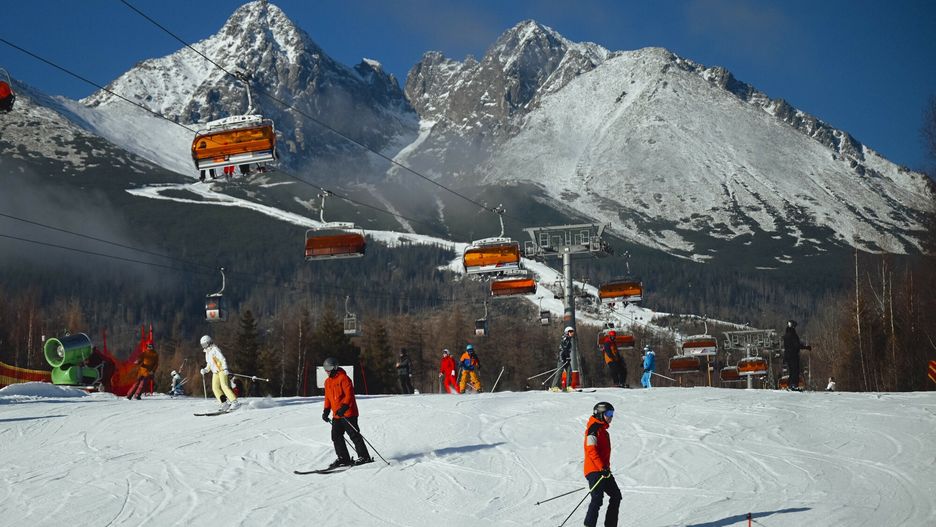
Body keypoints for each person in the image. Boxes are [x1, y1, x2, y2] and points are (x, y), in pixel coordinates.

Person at [322, 357, 372, 468]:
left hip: (349, 413)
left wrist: (344, 407)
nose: (327, 370)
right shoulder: (327, 382)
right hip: (337, 415)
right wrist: (326, 410)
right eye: (325, 368)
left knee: (354, 435)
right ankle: (343, 458)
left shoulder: (344, 378)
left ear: (335, 367)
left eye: (329, 368)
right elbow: (328, 398)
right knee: (336, 436)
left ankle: (364, 456)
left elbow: (349, 395)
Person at [583, 401, 622, 527]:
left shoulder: (603, 431)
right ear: (600, 414)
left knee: (616, 496)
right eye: (609, 413)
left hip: (604, 470)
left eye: (612, 413)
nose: (611, 417)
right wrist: (601, 467)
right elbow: (591, 450)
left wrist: (605, 468)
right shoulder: (593, 429)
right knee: (597, 499)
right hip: (594, 470)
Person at [199, 335, 239, 411]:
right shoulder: (207, 352)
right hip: (215, 372)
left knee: (224, 386)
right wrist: (205, 370)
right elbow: (209, 364)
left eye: (205, 344)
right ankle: (224, 403)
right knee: (215, 388)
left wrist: (225, 368)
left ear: (209, 342)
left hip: (221, 370)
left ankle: (234, 402)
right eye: (203, 345)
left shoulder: (215, 349)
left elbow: (223, 359)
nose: (204, 346)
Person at [782, 320, 811, 391]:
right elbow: (797, 345)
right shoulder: (793, 335)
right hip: (793, 355)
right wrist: (806, 347)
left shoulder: (786, 335)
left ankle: (790, 384)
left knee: (791, 371)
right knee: (795, 370)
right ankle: (794, 385)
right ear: (793, 326)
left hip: (787, 356)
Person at [551, 326, 575, 391]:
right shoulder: (565, 339)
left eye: (572, 331)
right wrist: (565, 357)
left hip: (566, 358)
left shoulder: (569, 339)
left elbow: (568, 350)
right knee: (559, 371)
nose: (572, 333)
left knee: (569, 371)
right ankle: (554, 386)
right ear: (567, 332)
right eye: (570, 332)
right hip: (562, 358)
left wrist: (568, 357)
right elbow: (564, 349)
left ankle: (568, 386)